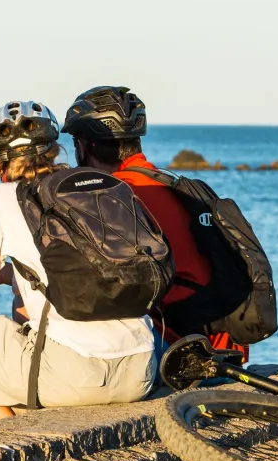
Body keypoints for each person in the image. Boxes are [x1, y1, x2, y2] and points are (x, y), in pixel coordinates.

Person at [0, 100, 157, 422]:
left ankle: (2, 425)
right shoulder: (103, 187)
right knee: (22, 302)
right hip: (141, 371)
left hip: (74, 379)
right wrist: (16, 276)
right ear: (55, 149)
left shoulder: (3, 197)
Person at [61, 86, 249, 362]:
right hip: (223, 342)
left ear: (86, 144)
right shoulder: (174, 186)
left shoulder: (111, 197)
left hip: (173, 345)